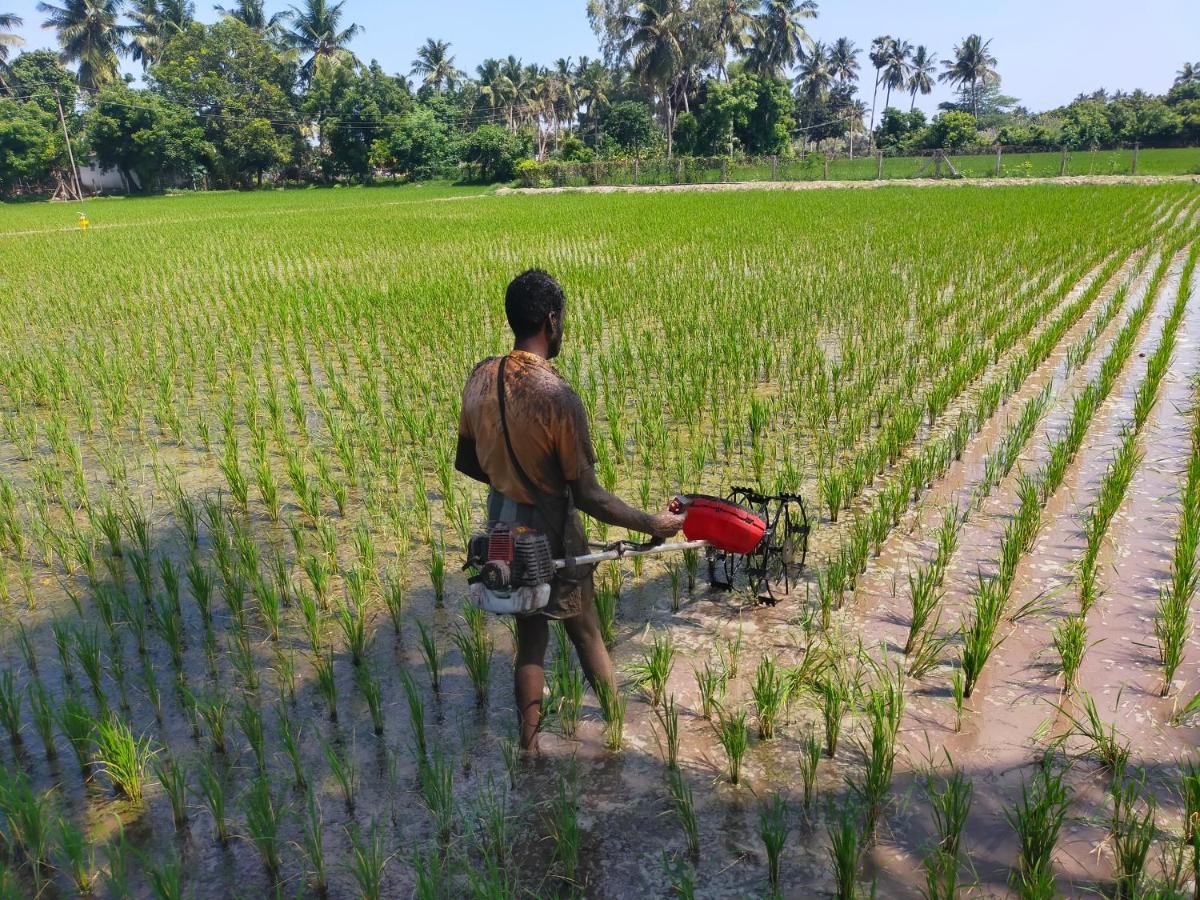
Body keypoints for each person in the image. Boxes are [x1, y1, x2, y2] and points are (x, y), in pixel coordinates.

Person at [456, 269, 685, 752]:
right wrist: (654, 524)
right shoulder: (556, 395)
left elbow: (466, 461)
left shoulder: (480, 376)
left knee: (531, 639)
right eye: (563, 322)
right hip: (551, 531)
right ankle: (620, 733)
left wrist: (508, 482)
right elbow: (588, 495)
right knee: (586, 634)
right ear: (551, 322)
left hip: (502, 530)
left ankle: (529, 747)